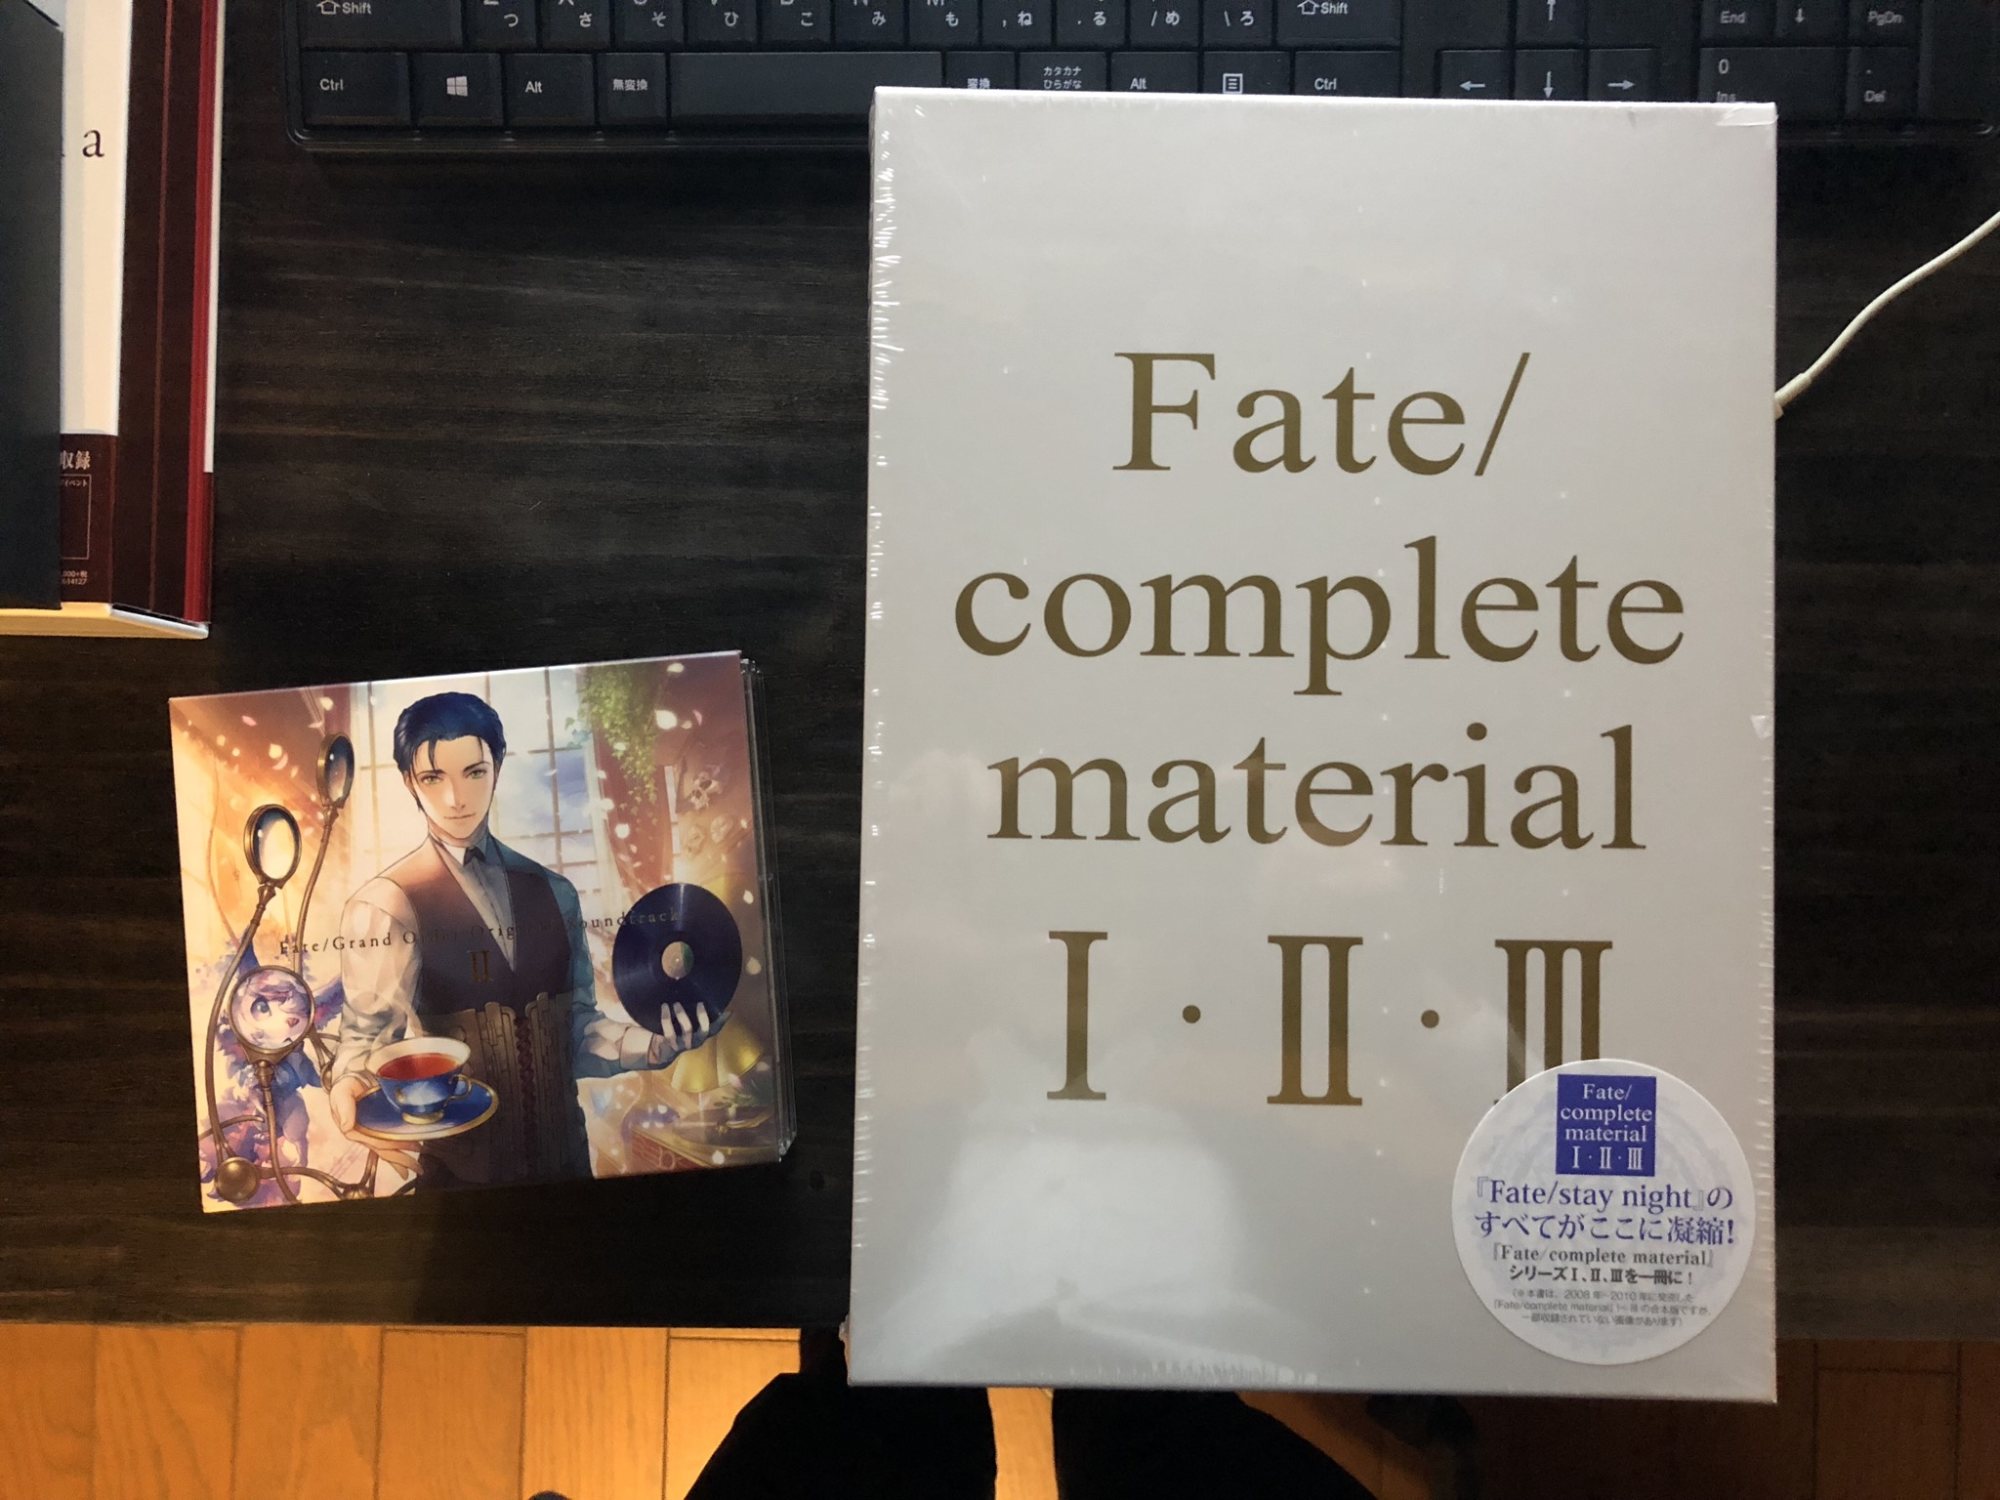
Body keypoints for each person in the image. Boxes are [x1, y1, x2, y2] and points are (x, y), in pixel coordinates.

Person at [327, 690, 716, 1188]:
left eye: (474, 772)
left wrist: (656, 1045)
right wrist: (349, 1083)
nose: (456, 798)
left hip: (568, 1171)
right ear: (409, 782)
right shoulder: (386, 904)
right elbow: (366, 1041)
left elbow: (577, 1030)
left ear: (498, 767)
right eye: (433, 778)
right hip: (459, 1182)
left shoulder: (556, 892)